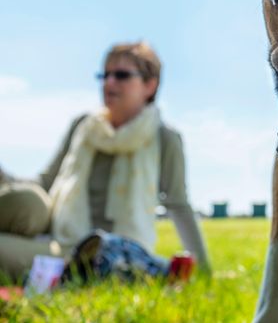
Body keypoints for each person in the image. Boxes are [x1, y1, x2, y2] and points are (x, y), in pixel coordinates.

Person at [0, 42, 210, 280]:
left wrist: (204, 272)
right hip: (56, 235)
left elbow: (178, 205)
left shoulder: (165, 138)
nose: (108, 82)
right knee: (29, 201)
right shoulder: (83, 126)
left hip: (95, 256)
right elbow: (46, 181)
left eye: (121, 75)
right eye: (104, 75)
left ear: (150, 86)